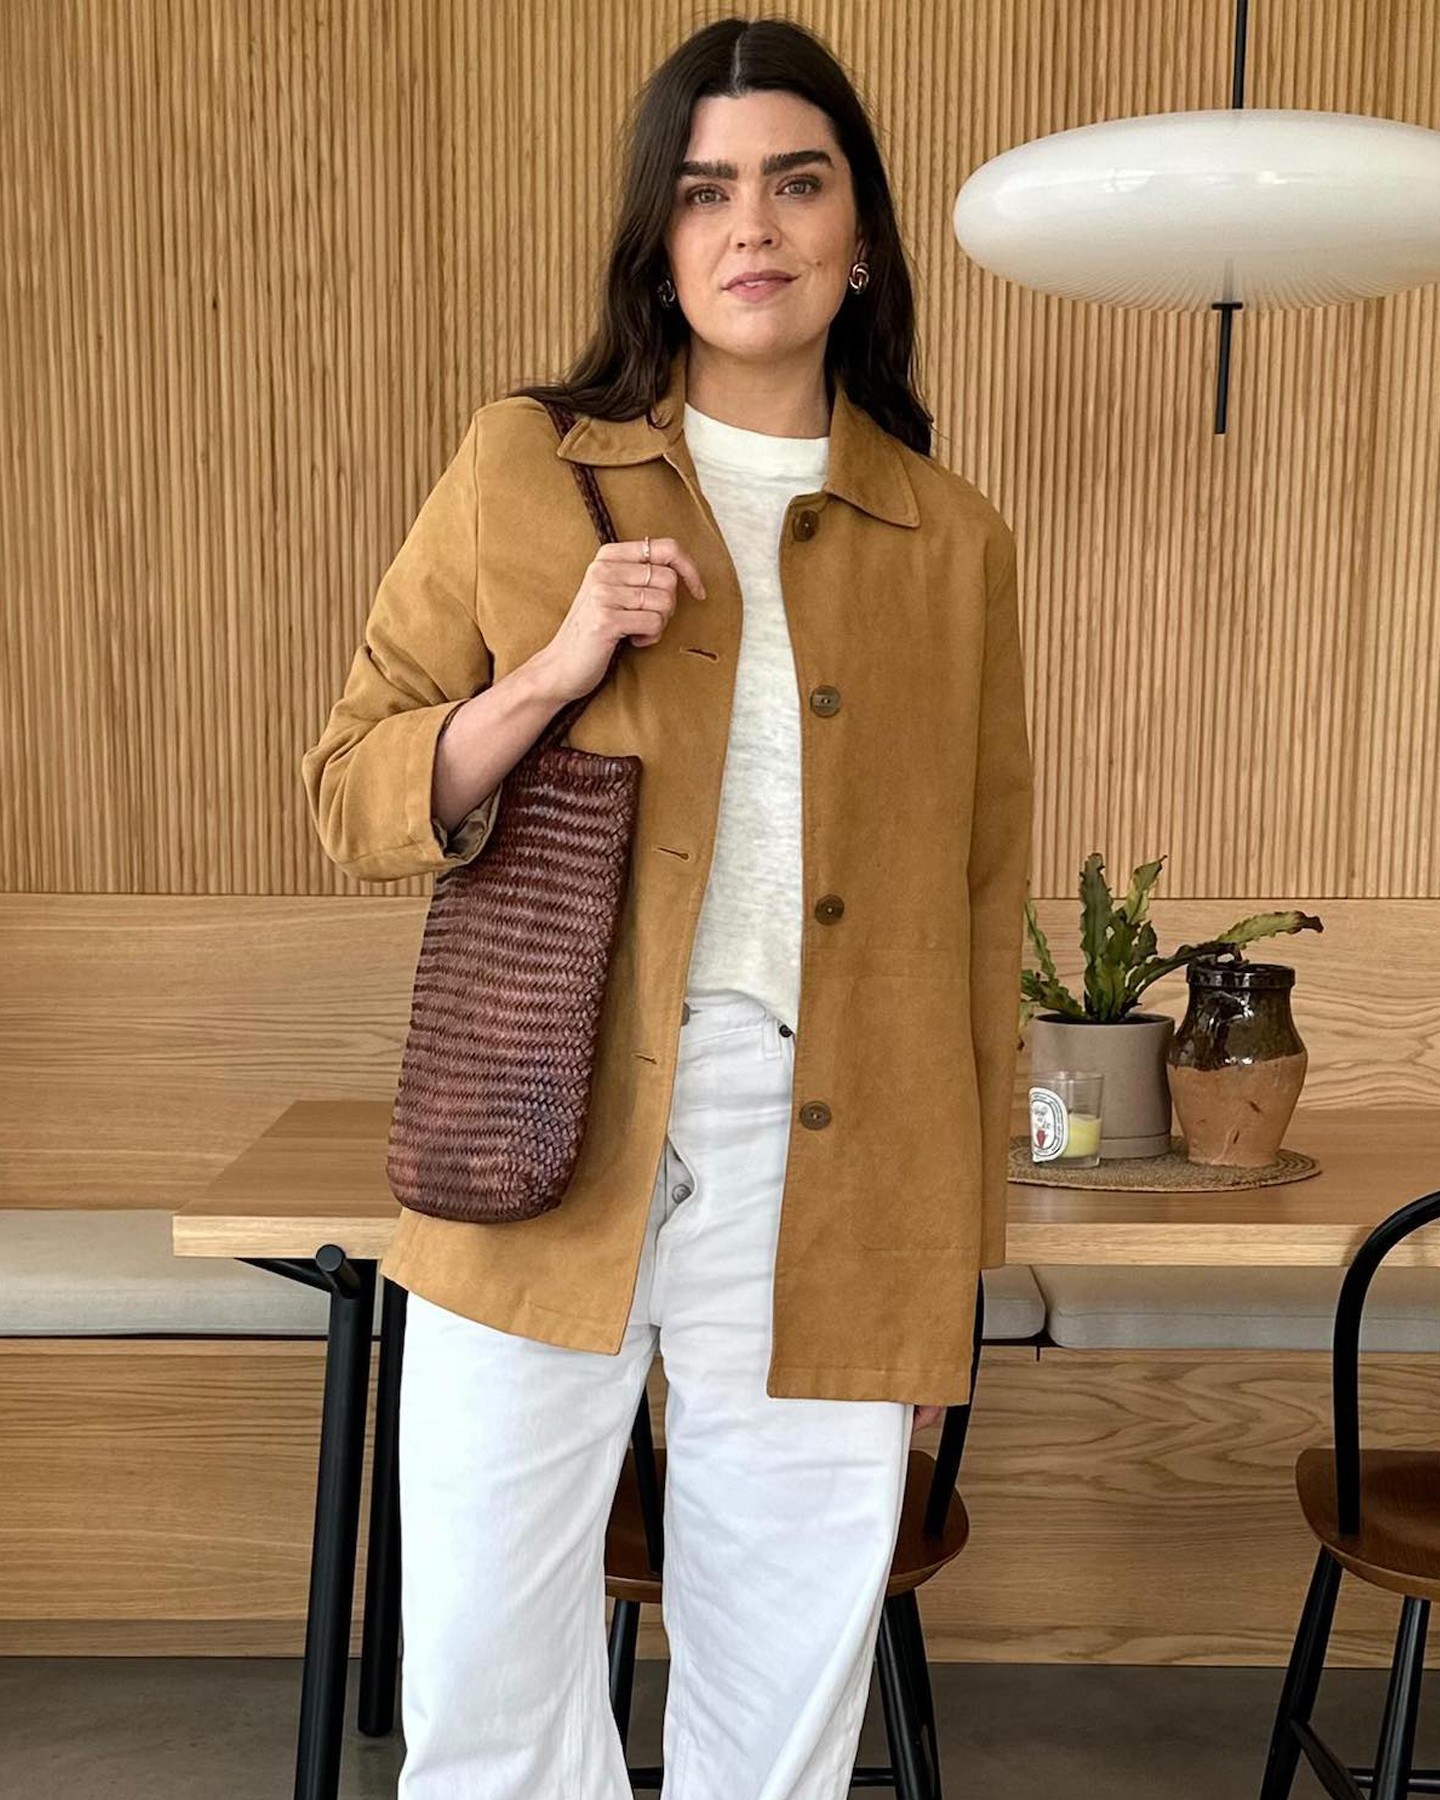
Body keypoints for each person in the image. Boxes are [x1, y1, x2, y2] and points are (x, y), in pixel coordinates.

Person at [301, 15, 1034, 1798]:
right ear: (659, 238)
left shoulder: (953, 539)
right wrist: (553, 668)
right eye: (705, 190)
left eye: (798, 180)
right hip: (542, 1143)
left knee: (786, 1685)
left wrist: (943, 1266)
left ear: (859, 235)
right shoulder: (527, 465)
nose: (752, 226)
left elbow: (973, 915)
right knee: (481, 1673)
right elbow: (354, 792)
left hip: (837, 1170)